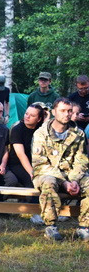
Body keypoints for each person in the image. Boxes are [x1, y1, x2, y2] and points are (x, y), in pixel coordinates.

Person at [31, 98, 89, 240]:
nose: (67, 114)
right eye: (62, 111)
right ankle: (51, 226)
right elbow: (40, 163)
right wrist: (64, 182)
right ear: (54, 112)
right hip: (46, 173)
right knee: (49, 182)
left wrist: (74, 180)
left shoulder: (78, 134)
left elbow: (81, 160)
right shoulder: (41, 133)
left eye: (69, 111)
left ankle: (84, 227)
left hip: (72, 175)